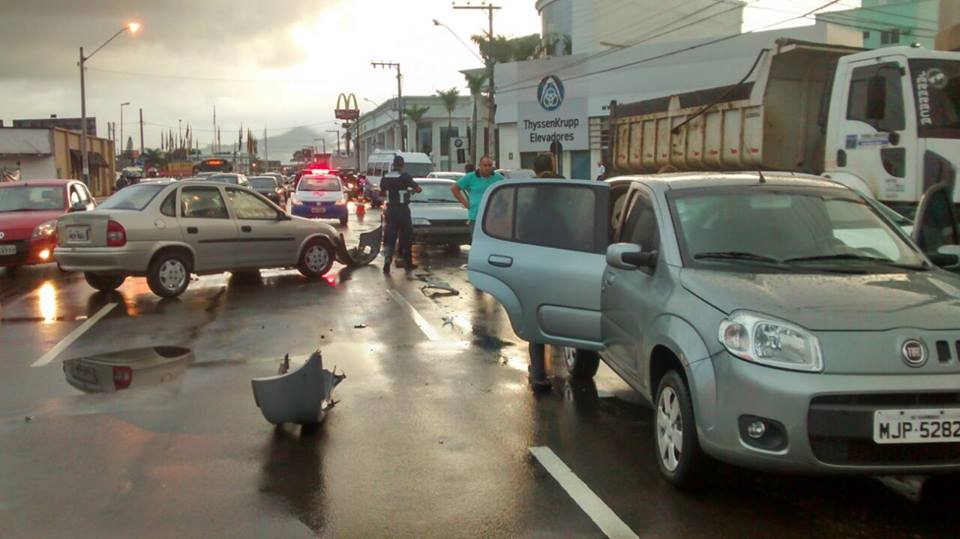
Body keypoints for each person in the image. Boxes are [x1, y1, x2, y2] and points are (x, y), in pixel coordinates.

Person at [380, 155, 422, 273]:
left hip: (390, 210)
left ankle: (387, 262)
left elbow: (382, 192)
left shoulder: (385, 177)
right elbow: (418, 189)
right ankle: (408, 263)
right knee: (406, 236)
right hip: (402, 210)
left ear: (393, 165)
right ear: (402, 165)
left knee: (390, 237)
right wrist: (411, 192)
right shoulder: (405, 177)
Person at [451, 155, 503, 231]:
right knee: (477, 240)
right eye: (485, 165)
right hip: (476, 216)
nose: (487, 168)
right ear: (479, 166)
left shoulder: (498, 177)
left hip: (494, 217)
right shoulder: (470, 177)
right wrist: (465, 203)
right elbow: (454, 188)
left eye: (490, 165)